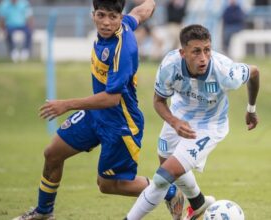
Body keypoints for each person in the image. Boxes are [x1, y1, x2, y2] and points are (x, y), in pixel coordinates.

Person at [13, 0, 184, 219]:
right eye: (101, 15)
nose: (106, 22)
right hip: (95, 115)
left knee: (107, 184)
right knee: (53, 154)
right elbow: (143, 10)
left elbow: (112, 99)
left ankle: (168, 190)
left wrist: (65, 104)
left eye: (112, 17)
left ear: (119, 19)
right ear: (93, 15)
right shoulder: (126, 22)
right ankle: (44, 212)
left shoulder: (124, 48)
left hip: (120, 123)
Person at [124, 24, 260, 220]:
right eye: (196, 51)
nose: (203, 57)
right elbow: (158, 101)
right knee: (167, 164)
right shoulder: (170, 66)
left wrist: (251, 109)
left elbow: (254, 72)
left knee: (163, 177)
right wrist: (173, 121)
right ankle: (198, 203)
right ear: (182, 53)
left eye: (207, 50)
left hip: (209, 126)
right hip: (179, 118)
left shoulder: (225, 71)